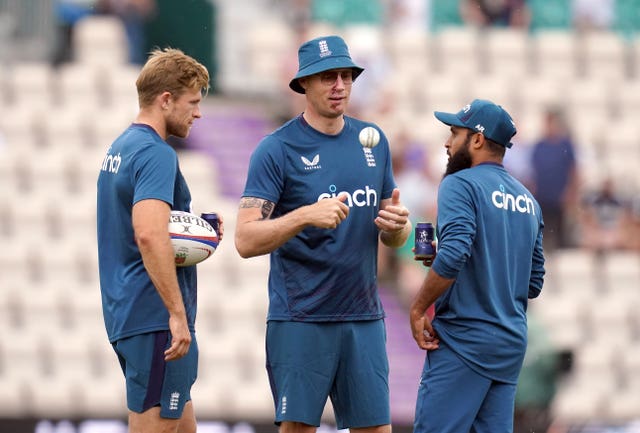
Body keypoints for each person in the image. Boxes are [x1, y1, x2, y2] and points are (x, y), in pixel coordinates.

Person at [234, 35, 411, 433]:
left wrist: (398, 229)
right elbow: (245, 241)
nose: (340, 86)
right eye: (328, 77)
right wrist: (303, 216)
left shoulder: (374, 142)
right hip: (301, 319)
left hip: (364, 318)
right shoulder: (275, 149)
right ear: (304, 85)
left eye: (347, 76)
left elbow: (392, 238)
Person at [97, 48, 219, 433]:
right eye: (193, 102)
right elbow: (149, 234)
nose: (198, 113)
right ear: (166, 100)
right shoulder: (156, 154)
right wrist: (177, 315)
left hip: (128, 311)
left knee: (183, 427)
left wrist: (198, 230)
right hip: (154, 318)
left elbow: (149, 228)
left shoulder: (120, 148)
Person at [409, 99, 546, 433]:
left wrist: (417, 309)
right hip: (509, 345)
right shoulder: (528, 200)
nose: (447, 142)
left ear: (478, 140)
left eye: (455, 133)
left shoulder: (460, 183)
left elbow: (455, 254)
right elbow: (533, 282)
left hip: (464, 339)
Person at [530, 107, 578, 252]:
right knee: (543, 231)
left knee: (561, 235)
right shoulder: (539, 145)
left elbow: (574, 170)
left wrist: (571, 192)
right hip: (543, 196)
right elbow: (533, 171)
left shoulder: (566, 145)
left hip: (560, 197)